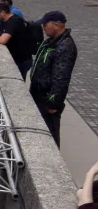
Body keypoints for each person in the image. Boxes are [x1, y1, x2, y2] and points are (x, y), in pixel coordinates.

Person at [29, 11, 77, 147]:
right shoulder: (51, 41)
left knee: (50, 133)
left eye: (45, 25)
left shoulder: (65, 46)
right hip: (38, 94)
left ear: (57, 25)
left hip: (47, 100)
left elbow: (61, 78)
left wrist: (53, 103)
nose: (43, 28)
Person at [0, 3, 35, 78]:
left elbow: (3, 40)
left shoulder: (13, 22)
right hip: (17, 57)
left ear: (2, 12)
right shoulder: (4, 20)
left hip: (21, 60)